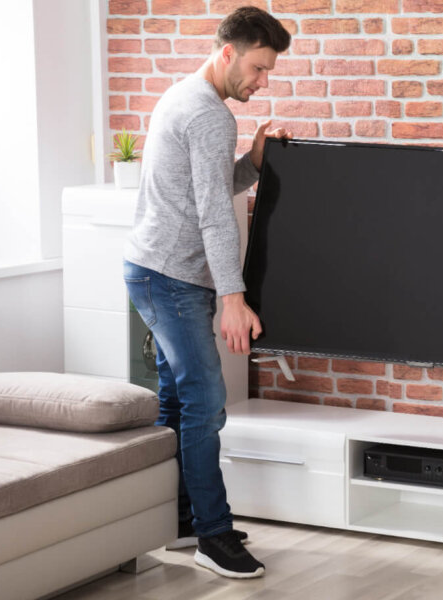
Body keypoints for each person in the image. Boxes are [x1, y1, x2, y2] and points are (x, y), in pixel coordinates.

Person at [123, 6, 291, 579]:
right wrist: (233, 297)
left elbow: (207, 190)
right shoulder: (211, 115)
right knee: (205, 402)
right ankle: (211, 536)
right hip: (172, 277)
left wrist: (254, 163)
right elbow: (217, 218)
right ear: (228, 53)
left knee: (176, 398)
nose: (263, 81)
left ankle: (178, 518)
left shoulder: (185, 97)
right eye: (259, 68)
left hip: (151, 268)